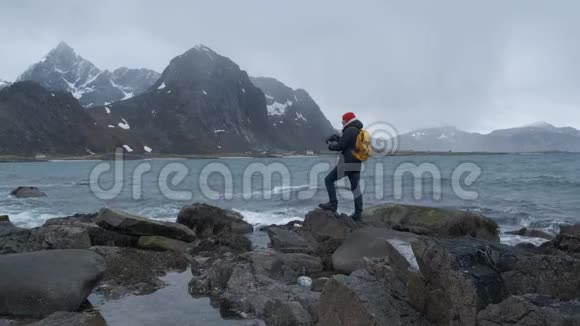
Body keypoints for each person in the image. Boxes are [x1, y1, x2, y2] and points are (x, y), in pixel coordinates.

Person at [319, 112, 364, 220]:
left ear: (347, 120)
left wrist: (331, 146)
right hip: (356, 163)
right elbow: (349, 144)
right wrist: (338, 138)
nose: (342, 123)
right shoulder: (358, 130)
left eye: (342, 121)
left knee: (328, 180)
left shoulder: (349, 130)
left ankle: (333, 204)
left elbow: (341, 146)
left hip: (347, 163)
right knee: (355, 188)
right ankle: (358, 214)